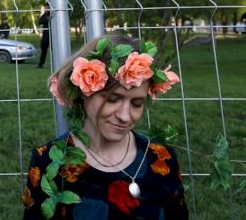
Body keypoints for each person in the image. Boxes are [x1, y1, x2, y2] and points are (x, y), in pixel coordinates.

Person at [22, 34, 187, 219]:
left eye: (137, 103)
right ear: (84, 90)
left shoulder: (162, 159)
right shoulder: (48, 161)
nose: (124, 116)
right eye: (112, 99)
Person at [37, 3, 50, 68]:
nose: (46, 9)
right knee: (43, 48)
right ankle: (41, 64)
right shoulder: (44, 15)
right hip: (45, 34)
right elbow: (40, 21)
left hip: (52, 34)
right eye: (45, 8)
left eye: (47, 7)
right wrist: (46, 19)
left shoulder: (52, 14)